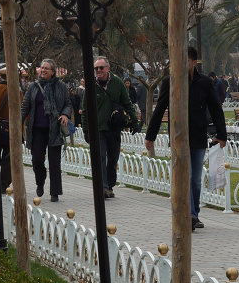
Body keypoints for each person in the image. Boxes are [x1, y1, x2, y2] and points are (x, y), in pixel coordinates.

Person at [146, 47, 227, 231]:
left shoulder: (204, 82)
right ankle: (188, 214)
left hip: (198, 136)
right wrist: (150, 135)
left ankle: (194, 213)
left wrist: (222, 135)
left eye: (186, 61)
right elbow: (159, 109)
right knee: (186, 176)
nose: (182, 64)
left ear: (193, 62)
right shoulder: (170, 82)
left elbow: (216, 108)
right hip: (178, 138)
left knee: (196, 180)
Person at [83, 56, 138, 199]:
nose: (98, 71)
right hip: (98, 129)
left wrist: (134, 120)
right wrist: (85, 130)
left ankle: (110, 185)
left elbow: (127, 103)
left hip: (114, 128)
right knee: (100, 158)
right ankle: (103, 187)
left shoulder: (117, 83)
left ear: (108, 68)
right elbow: (85, 110)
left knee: (113, 159)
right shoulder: (91, 85)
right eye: (96, 68)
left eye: (101, 68)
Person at [21, 59, 72, 202]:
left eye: (46, 69)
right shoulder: (33, 86)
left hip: (54, 128)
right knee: (37, 160)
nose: (43, 70)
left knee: (55, 163)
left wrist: (65, 114)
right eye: (42, 68)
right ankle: (40, 181)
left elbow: (68, 103)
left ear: (53, 72)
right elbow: (25, 106)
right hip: (37, 130)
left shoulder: (61, 86)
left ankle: (54, 192)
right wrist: (17, 122)